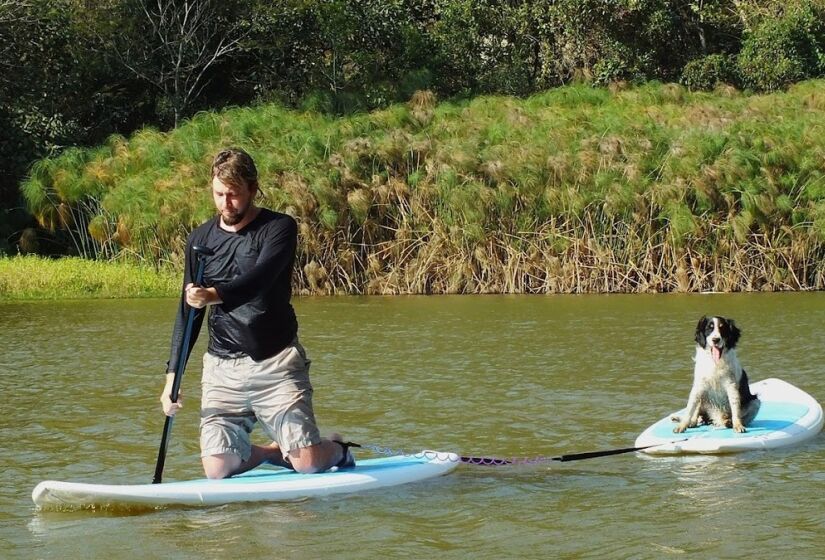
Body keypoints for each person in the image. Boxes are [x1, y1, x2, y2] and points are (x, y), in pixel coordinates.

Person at [159, 147, 355, 479]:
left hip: (276, 362)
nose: (226, 203)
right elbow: (187, 316)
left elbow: (260, 281)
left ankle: (336, 449)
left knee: (308, 465)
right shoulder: (199, 240)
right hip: (222, 368)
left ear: (253, 188)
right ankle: (272, 453)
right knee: (218, 469)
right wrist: (171, 379)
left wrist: (213, 295)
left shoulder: (279, 228)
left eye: (234, 194)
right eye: (219, 194)